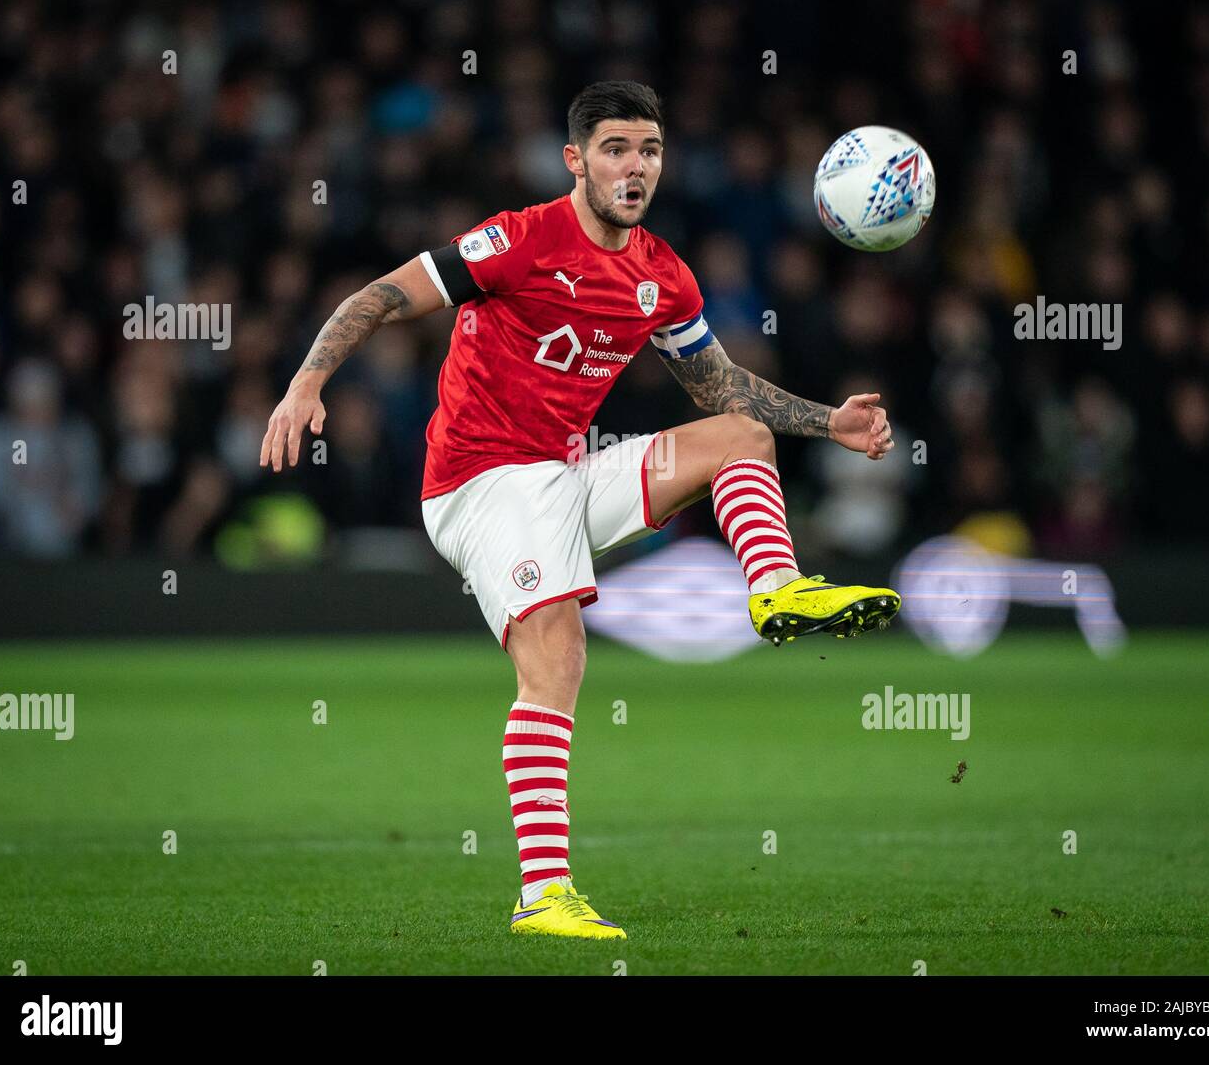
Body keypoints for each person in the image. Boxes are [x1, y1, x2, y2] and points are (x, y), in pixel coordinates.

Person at [260, 81, 899, 939]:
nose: (635, 169)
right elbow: (377, 296)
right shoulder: (518, 241)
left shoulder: (661, 276)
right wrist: (306, 383)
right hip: (479, 482)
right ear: (576, 161)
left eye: (650, 152)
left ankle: (776, 590)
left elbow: (718, 386)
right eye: (616, 150)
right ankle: (544, 896)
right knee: (557, 649)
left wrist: (831, 423)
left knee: (740, 436)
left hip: (567, 473)